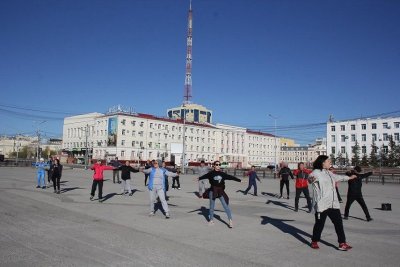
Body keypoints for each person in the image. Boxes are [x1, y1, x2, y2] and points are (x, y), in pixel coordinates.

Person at [309, 155, 357, 251]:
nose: (330, 162)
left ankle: (342, 243)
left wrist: (350, 177)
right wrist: (310, 179)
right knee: (319, 224)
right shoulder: (316, 173)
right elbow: (310, 179)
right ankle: (314, 241)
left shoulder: (329, 173)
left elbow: (338, 177)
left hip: (333, 203)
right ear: (322, 162)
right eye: (328, 161)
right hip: (322, 204)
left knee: (338, 223)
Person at [198, 160, 241, 228]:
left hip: (220, 191)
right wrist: (198, 178)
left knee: (225, 206)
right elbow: (204, 176)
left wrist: (239, 180)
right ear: (214, 165)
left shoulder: (222, 174)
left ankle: (230, 220)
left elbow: (230, 177)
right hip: (213, 191)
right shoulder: (211, 173)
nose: (218, 166)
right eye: (217, 164)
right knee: (212, 206)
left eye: (219, 164)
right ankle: (211, 220)